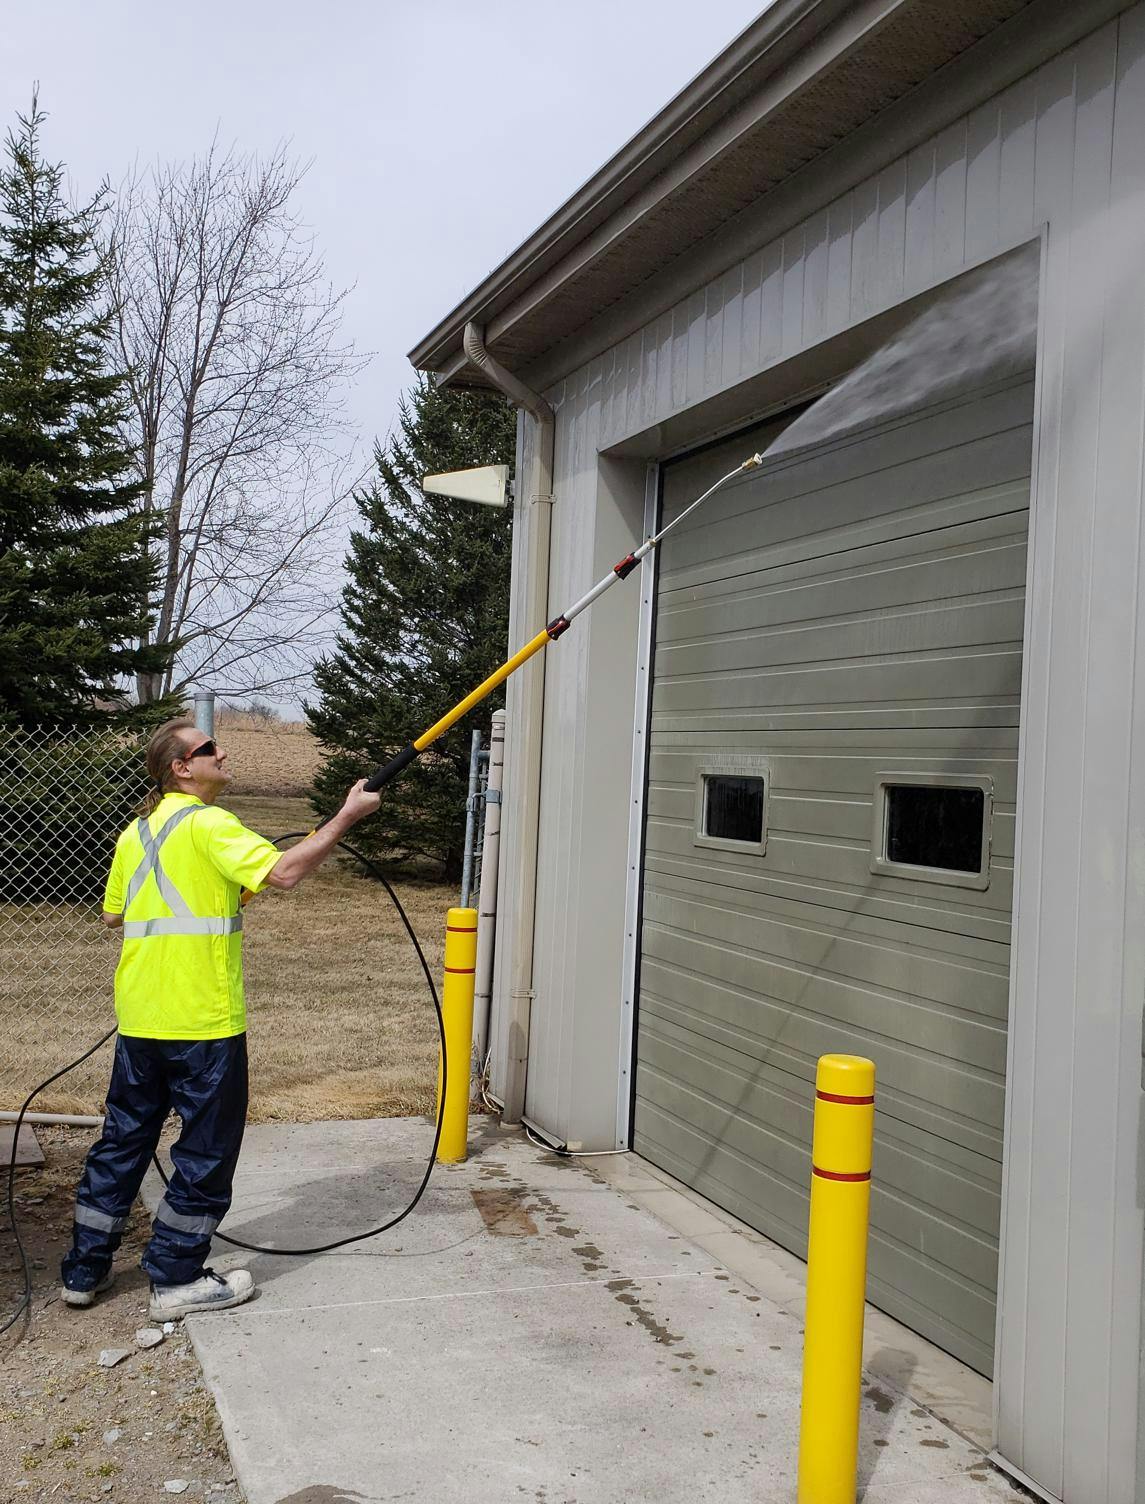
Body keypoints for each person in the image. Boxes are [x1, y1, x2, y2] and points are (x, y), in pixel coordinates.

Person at [59, 716, 380, 1319]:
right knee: (205, 1152)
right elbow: (285, 872)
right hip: (202, 1023)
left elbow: (114, 915)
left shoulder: (139, 832)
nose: (222, 752)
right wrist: (345, 818)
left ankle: (84, 1270)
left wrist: (221, 892)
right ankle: (176, 1279)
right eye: (209, 749)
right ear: (182, 767)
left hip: (141, 1018)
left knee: (122, 1142)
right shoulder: (209, 824)